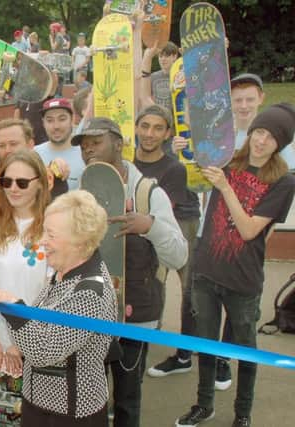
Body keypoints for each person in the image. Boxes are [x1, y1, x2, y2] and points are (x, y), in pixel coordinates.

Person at [175, 104, 295, 427]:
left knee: (246, 352)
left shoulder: (284, 181)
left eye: (271, 137)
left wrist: (226, 187)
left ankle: (243, 413)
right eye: (258, 131)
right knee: (205, 344)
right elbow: (193, 157)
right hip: (206, 271)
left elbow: (249, 230)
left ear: (280, 143)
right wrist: (182, 147)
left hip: (243, 279)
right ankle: (204, 404)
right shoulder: (226, 159)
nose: (260, 141)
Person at [72, 117, 188, 427]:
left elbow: (178, 255)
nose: (88, 150)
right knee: (87, 398)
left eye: (95, 143)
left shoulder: (149, 193)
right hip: (90, 315)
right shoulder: (79, 194)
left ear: (119, 144)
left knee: (126, 401)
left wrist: (149, 226)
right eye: (84, 146)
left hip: (134, 317)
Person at [0, 189, 117, 426]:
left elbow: (44, 350)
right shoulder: (64, 272)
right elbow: (42, 325)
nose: (41, 241)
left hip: (71, 411)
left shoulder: (90, 292)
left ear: (79, 240)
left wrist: (14, 307)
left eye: (50, 235)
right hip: (41, 402)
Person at [125, 106, 201, 378]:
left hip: (180, 222)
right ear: (135, 127)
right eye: (144, 126)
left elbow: (161, 211)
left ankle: (185, 354)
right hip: (139, 225)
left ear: (168, 133)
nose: (149, 133)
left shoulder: (173, 168)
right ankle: (149, 333)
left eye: (158, 128)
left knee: (189, 288)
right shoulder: (126, 160)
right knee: (153, 280)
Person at [0, 149, 51, 399]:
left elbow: (51, 291)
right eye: (6, 182)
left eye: (22, 182)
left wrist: (22, 343)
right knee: (4, 412)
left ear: (40, 185)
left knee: (38, 413)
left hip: (41, 342)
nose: (13, 188)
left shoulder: (52, 226)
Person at [0, 118, 67, 215]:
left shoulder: (52, 178)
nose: (7, 150)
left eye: (13, 144)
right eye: (1, 145)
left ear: (30, 145)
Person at [35, 98, 85, 190]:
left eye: (62, 119)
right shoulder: (34, 154)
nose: (56, 126)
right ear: (43, 123)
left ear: (72, 119)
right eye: (50, 120)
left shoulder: (85, 153)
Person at [141, 41, 180, 111]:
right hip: (159, 116)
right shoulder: (152, 77)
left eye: (166, 56)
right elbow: (145, 97)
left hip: (177, 119)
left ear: (175, 56)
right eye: (160, 56)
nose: (163, 59)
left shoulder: (180, 76)